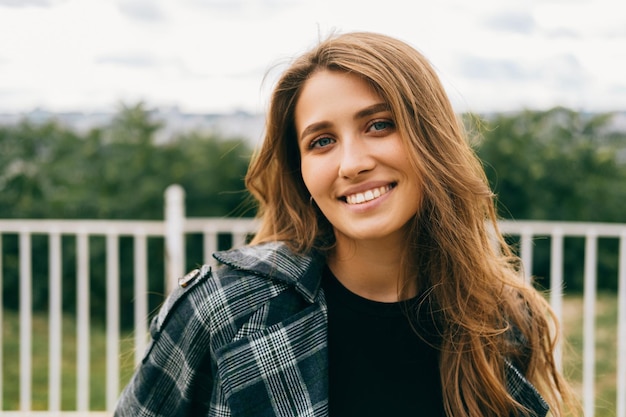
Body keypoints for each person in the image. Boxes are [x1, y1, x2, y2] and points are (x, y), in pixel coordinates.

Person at [115, 31, 577, 416]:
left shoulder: (503, 318)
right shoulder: (225, 309)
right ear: (301, 169)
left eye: (379, 125)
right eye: (321, 142)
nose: (352, 163)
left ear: (431, 138)